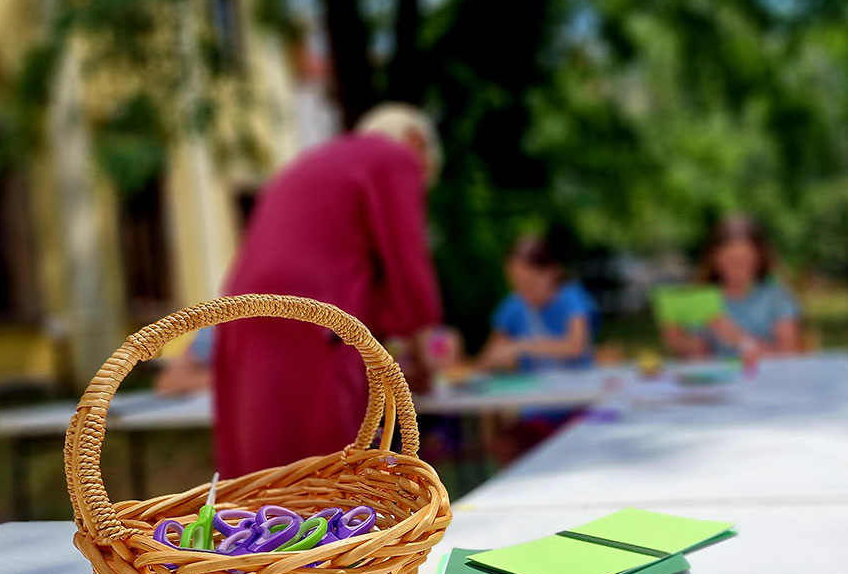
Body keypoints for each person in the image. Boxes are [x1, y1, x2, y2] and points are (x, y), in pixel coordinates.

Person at [213, 103, 443, 478]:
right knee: (324, 452)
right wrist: (422, 358)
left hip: (243, 306)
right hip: (313, 311)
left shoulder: (313, 162)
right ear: (417, 143)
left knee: (260, 452)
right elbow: (407, 260)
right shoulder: (396, 157)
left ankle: (255, 532)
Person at [663, 215, 801, 359]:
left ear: (759, 258)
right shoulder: (705, 299)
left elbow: (789, 357)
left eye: (744, 260)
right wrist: (680, 342)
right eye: (730, 261)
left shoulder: (777, 297)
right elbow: (700, 356)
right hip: (724, 380)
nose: (737, 269)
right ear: (715, 260)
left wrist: (741, 341)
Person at [478, 234, 597, 372]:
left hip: (578, 386)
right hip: (533, 390)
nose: (523, 291)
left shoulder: (571, 297)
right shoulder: (512, 306)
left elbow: (576, 346)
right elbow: (487, 358)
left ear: (551, 272)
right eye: (516, 284)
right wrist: (499, 360)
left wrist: (520, 346)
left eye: (530, 283)